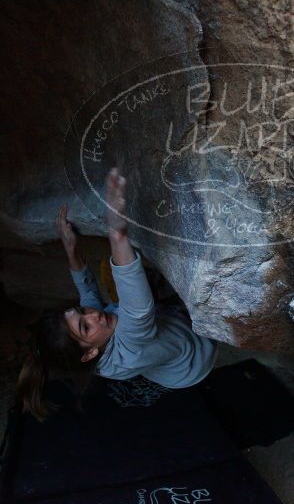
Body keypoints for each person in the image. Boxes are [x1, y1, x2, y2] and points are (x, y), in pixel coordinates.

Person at [16, 167, 218, 421]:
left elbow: (87, 293)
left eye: (81, 312)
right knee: (146, 288)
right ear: (89, 353)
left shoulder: (93, 342)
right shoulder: (130, 351)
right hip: (197, 357)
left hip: (167, 331)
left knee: (131, 292)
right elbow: (137, 307)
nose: (95, 316)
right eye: (85, 327)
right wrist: (116, 231)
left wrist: (70, 249)